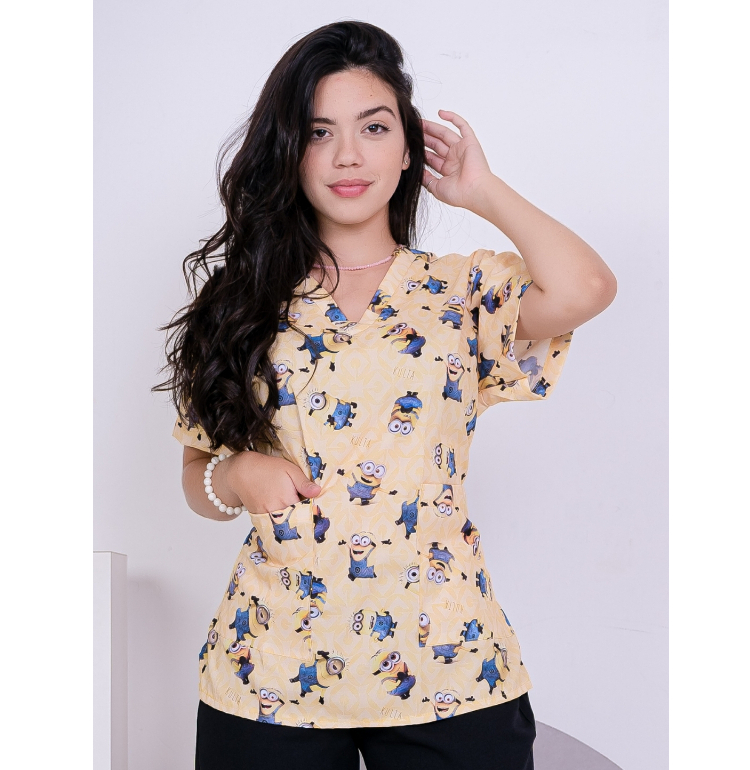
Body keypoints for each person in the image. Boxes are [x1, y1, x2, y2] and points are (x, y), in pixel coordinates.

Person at [155, 19, 617, 770]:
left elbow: (586, 286)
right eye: (319, 132)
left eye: (373, 128)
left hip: (449, 665)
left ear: (407, 148)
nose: (347, 155)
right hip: (271, 667)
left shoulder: (460, 292)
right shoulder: (238, 303)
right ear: (290, 150)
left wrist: (482, 191)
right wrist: (235, 473)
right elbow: (195, 478)